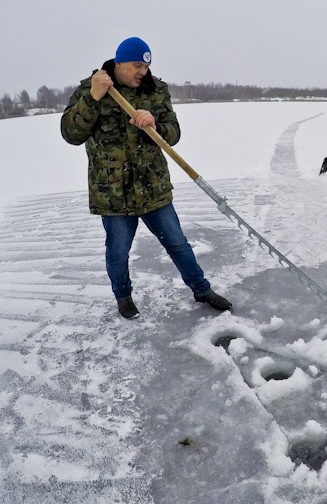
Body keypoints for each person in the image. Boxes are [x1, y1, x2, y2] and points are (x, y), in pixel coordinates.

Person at [61, 37, 232, 319]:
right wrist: (92, 99)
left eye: (146, 65)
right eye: (137, 65)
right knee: (118, 252)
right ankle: (123, 297)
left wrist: (154, 124)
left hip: (153, 188)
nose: (143, 71)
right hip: (112, 192)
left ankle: (202, 289)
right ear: (119, 63)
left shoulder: (156, 90)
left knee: (178, 244)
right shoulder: (90, 89)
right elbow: (70, 134)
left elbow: (173, 133)